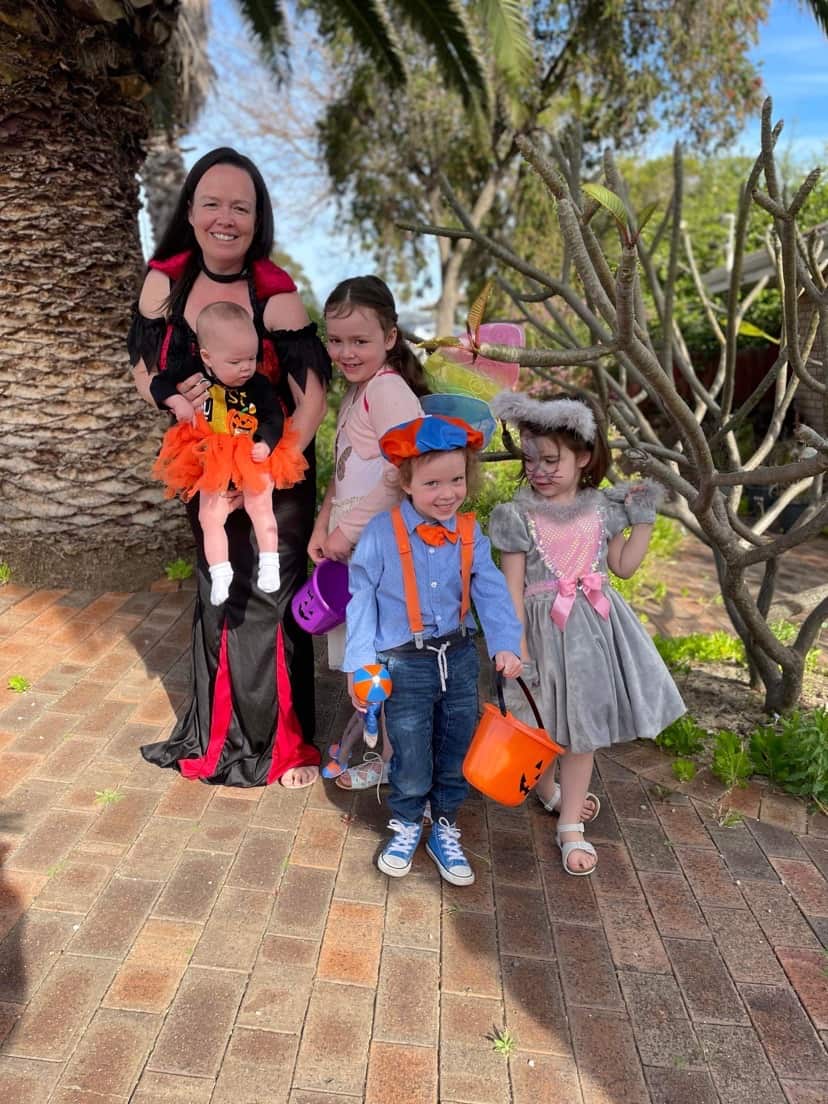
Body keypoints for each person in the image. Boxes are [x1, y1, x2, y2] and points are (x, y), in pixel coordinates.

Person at [127, 147, 331, 788]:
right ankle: (216, 736)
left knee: (266, 598)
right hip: (206, 465)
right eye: (211, 202)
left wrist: (260, 476)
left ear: (257, 218)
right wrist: (166, 396)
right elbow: (142, 365)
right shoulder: (165, 282)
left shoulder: (275, 293)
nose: (225, 217)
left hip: (275, 470)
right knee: (219, 591)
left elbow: (311, 402)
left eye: (240, 206)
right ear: (189, 211)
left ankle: (280, 746)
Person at [489, 391, 685, 875]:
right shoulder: (518, 514)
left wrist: (642, 519)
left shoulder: (602, 509)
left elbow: (622, 566)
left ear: (583, 457)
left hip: (595, 636)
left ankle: (570, 825)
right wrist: (517, 644)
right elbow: (513, 586)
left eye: (552, 459)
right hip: (541, 632)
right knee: (545, 724)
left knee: (583, 732)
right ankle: (548, 789)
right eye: (531, 459)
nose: (540, 469)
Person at [343, 413, 523, 885]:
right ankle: (405, 820)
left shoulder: (470, 532)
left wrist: (505, 643)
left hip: (459, 659)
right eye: (432, 482)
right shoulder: (382, 534)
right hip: (403, 664)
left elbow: (491, 590)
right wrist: (359, 664)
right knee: (409, 749)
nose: (447, 493)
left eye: (457, 479)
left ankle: (444, 823)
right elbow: (360, 599)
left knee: (455, 745)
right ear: (406, 481)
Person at [308, 276, 426, 790]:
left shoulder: (388, 389)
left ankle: (398, 765)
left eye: (360, 341)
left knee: (386, 659)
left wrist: (348, 531)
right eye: (336, 340)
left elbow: (403, 472)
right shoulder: (362, 390)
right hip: (352, 542)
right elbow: (346, 467)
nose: (345, 352)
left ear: (390, 338)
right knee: (370, 659)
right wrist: (323, 521)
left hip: (378, 545)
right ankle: (387, 757)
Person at [153, 301, 308, 605]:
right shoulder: (193, 372)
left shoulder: (257, 383)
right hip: (213, 454)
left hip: (251, 451)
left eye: (251, 358)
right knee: (209, 515)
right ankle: (220, 571)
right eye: (236, 361)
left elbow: (273, 416)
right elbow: (159, 382)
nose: (246, 368)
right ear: (207, 356)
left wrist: (265, 442)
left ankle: (269, 562)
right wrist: (176, 401)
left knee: (261, 502)